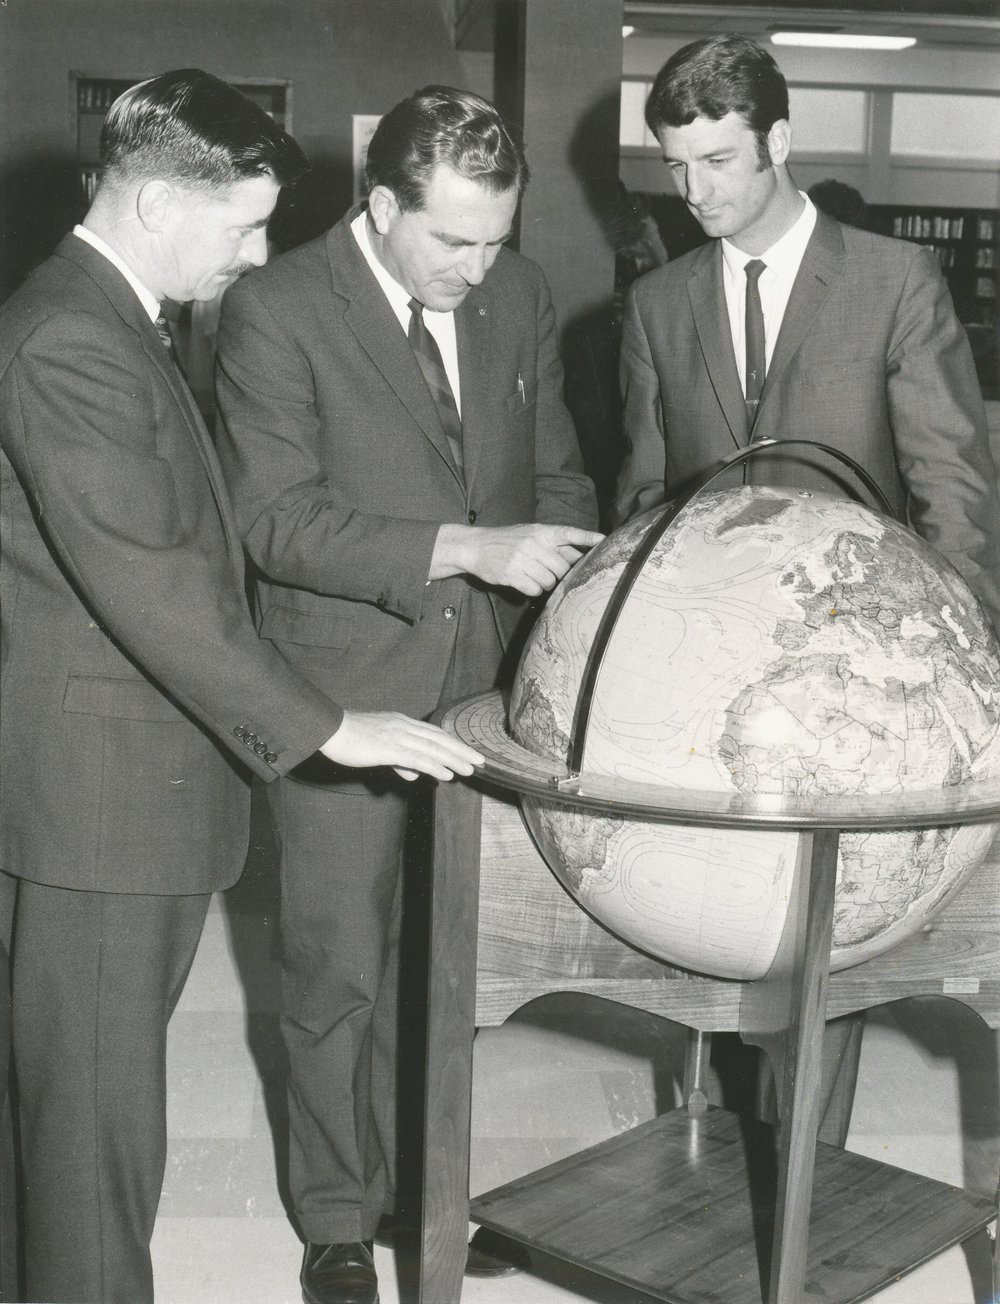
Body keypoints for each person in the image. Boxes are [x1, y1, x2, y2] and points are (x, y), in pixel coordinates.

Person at [0, 69, 482, 1304]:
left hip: (114, 797)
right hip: (101, 813)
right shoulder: (71, 336)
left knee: (65, 1133)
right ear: (159, 202)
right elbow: (156, 583)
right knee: (94, 1143)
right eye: (245, 223)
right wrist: (329, 724)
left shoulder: (115, 315)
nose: (259, 251)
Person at [214, 85, 601, 1304]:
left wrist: (572, 573)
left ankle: (420, 1191)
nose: (478, 268)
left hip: (481, 691)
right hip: (340, 689)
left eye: (495, 238)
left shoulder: (517, 290)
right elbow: (275, 521)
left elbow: (555, 468)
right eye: (452, 241)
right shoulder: (275, 310)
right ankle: (336, 1215)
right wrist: (465, 546)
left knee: (446, 972)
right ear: (380, 205)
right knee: (336, 971)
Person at [612, 33, 1000, 1148]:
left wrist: (958, 664)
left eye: (721, 162)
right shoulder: (653, 304)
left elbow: (952, 490)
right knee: (708, 937)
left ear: (779, 141)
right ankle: (719, 1169)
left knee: (824, 961)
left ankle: (800, 1193)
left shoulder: (891, 281)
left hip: (855, 679)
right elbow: (641, 499)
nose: (696, 193)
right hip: (705, 694)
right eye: (677, 166)